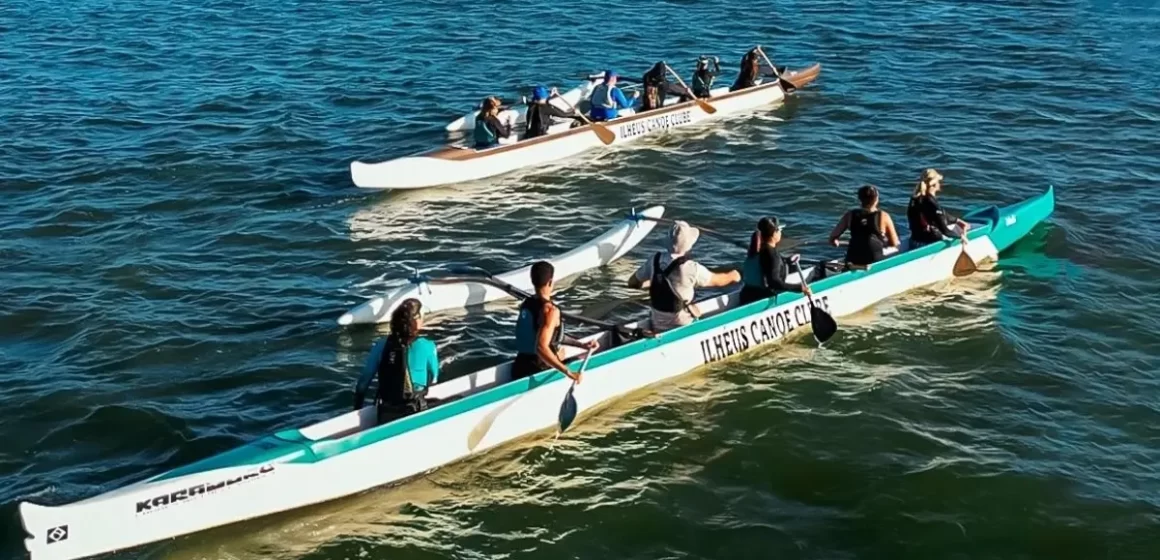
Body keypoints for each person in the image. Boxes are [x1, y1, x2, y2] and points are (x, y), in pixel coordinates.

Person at [628, 221, 741, 332]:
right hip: (681, 324)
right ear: (689, 245)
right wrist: (734, 276)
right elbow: (719, 281)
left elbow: (632, 282)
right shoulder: (691, 267)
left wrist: (654, 282)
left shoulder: (654, 261)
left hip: (657, 323)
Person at [353, 299, 440, 423]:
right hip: (416, 413)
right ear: (416, 320)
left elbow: (362, 385)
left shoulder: (380, 346)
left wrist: (356, 410)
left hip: (386, 413)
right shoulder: (428, 346)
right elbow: (434, 379)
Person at [512, 261, 599, 381]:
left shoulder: (526, 304)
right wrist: (568, 373)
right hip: (538, 372)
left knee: (562, 352)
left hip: (519, 366)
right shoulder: (549, 310)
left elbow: (551, 336)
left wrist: (581, 345)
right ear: (550, 282)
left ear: (532, 281)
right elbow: (541, 348)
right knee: (571, 357)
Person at [739, 217, 813, 305]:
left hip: (745, 295)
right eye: (780, 230)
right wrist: (800, 288)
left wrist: (786, 261)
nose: (781, 233)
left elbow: (765, 265)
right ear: (774, 233)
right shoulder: (772, 255)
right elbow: (774, 282)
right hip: (761, 300)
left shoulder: (756, 251)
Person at [828, 185, 902, 268]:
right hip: (874, 259)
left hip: (853, 259)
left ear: (860, 199)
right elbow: (894, 243)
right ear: (876, 199)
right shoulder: (883, 216)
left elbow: (832, 238)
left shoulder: (850, 215)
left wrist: (835, 242)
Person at [907, 168, 970, 250]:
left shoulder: (914, 199)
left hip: (913, 243)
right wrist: (961, 236)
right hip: (926, 246)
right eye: (938, 182)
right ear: (934, 185)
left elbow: (941, 215)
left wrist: (957, 220)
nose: (940, 184)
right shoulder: (932, 204)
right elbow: (946, 231)